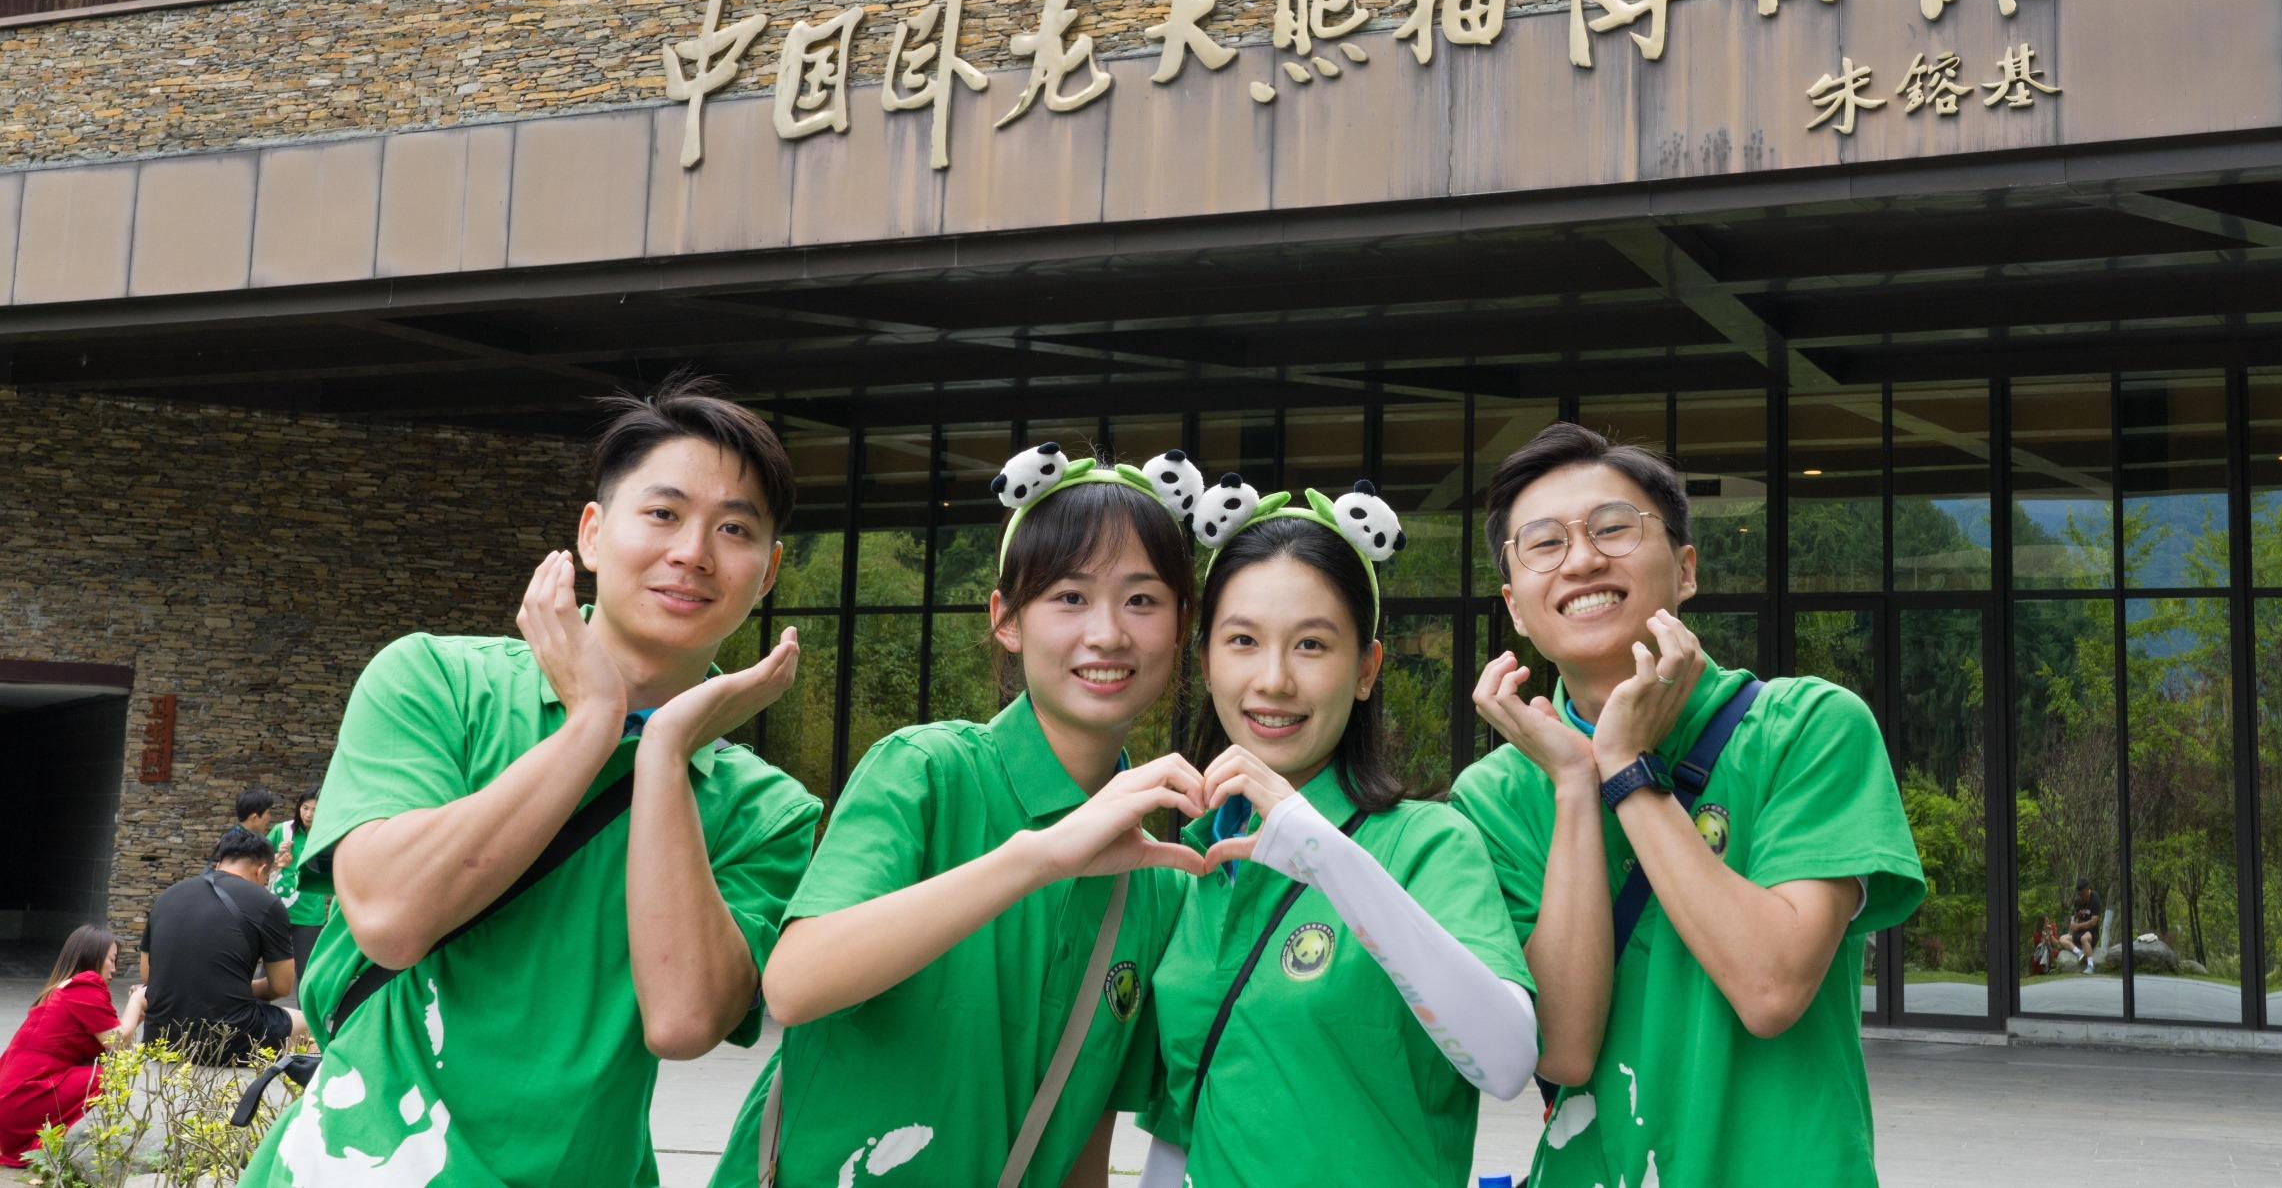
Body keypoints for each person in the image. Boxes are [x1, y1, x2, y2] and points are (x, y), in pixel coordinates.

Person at [235, 374, 823, 1188]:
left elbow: (686, 1019)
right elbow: (392, 917)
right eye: (663, 513)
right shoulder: (434, 681)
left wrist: (661, 752)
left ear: (767, 574)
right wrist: (592, 726)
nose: (692, 551)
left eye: (734, 528)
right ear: (591, 532)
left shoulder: (770, 811)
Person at [710, 445, 1205, 1188]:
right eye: (1069, 597)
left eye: (1142, 599)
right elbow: (794, 983)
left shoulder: (1157, 883)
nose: (1107, 633)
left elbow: (1078, 1149)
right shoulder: (925, 772)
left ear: (1180, 627)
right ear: (1006, 619)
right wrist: (1042, 855)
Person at [1450, 423, 1926, 1188]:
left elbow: (1772, 988)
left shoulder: (1808, 727)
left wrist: (1628, 769)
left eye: (1612, 527)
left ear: (1686, 568)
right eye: (1542, 543)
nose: (1581, 558)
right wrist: (1576, 784)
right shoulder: (1496, 796)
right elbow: (1565, 1047)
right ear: (1515, 604)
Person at [1135, 483, 1536, 1188]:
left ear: (1367, 669)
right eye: (1242, 640)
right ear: (1205, 662)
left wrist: (1317, 848)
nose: (1274, 679)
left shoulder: (1427, 842)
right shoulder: (1193, 866)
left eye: (1312, 644)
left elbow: (1505, 1059)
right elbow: (1181, 1125)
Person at [138, 827, 298, 1064]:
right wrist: (228, 987)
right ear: (262, 869)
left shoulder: (168, 896)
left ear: (220, 861)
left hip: (161, 1038)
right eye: (266, 878)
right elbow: (282, 986)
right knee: (306, 1024)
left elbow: (148, 975)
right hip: (226, 1039)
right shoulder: (267, 903)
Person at [0, 924, 147, 1165]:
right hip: (27, 1094)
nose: (114, 968)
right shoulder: (85, 985)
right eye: (112, 959)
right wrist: (136, 1001)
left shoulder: (64, 987)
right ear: (94, 957)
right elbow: (116, 1042)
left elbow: (112, 1039)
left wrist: (134, 1016)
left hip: (14, 1100)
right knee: (114, 1076)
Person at [273, 789, 329, 975]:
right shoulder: (283, 830)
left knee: (305, 972)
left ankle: (302, 1006)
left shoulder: (327, 835)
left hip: (310, 913)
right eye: (305, 808)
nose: (309, 814)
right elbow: (259, 863)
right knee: (270, 968)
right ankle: (258, 1005)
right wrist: (277, 856)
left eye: (315, 810)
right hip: (278, 909)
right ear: (299, 806)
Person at [2065, 880, 2102, 972]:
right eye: (2079, 894)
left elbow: (2094, 922)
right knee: (2062, 938)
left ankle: (2090, 965)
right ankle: (2079, 952)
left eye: (2082, 893)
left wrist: (2078, 926)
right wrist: (2075, 919)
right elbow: (2073, 917)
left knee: (2084, 939)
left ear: (2087, 889)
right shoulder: (2078, 901)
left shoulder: (2095, 898)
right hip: (2079, 931)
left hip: (2091, 932)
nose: (2081, 896)